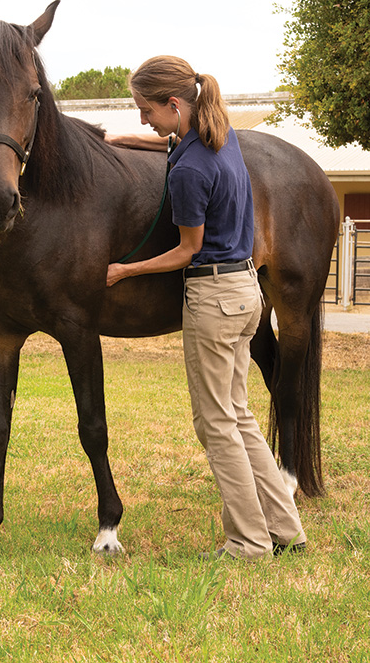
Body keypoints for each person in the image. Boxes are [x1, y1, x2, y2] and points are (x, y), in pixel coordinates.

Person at [105, 55, 306, 561]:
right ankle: (285, 528)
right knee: (239, 415)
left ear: (174, 104)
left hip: (213, 299)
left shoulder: (190, 172)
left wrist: (124, 271)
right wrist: (115, 143)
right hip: (245, 296)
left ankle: (248, 542)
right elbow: (168, 146)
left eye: (146, 110)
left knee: (215, 425)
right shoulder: (221, 138)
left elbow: (185, 250)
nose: (143, 120)